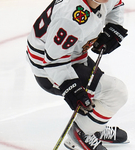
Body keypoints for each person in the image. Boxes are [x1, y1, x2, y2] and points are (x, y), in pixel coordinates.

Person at [26, 0, 128, 149]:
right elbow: (53, 61)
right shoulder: (70, 16)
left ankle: (93, 127)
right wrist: (69, 84)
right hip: (48, 68)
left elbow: (116, 4)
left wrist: (114, 26)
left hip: (72, 56)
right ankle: (80, 133)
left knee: (101, 90)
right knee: (115, 92)